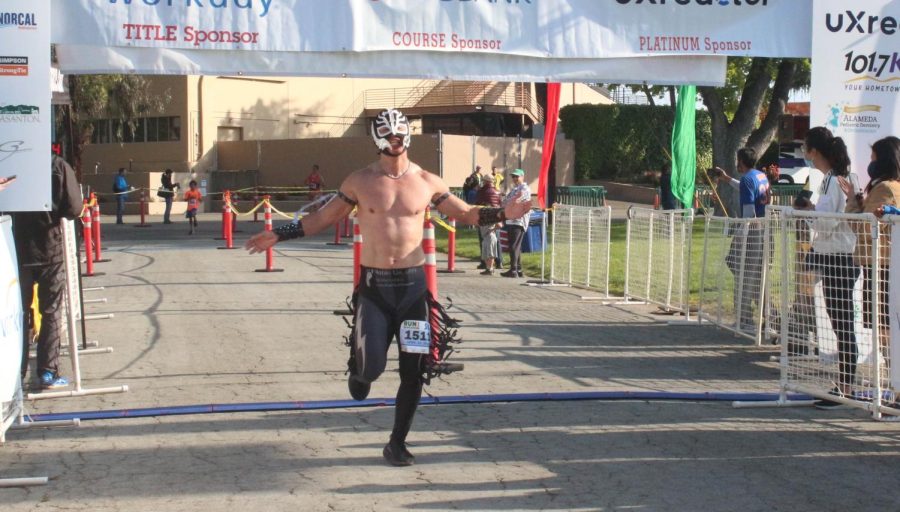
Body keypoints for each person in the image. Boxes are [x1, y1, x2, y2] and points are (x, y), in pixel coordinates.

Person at [244, 108, 530, 466]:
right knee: (373, 368)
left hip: (413, 290)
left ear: (407, 136)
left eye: (400, 134)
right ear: (378, 138)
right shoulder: (359, 181)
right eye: (388, 134)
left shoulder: (428, 181)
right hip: (375, 289)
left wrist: (505, 214)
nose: (395, 140)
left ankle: (397, 441)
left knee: (415, 370)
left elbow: (467, 214)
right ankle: (360, 370)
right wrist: (279, 233)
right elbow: (321, 218)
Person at [797, 127, 860, 409]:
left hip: (839, 258)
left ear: (815, 151)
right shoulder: (832, 179)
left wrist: (809, 213)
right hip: (835, 255)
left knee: (842, 323)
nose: (804, 155)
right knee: (839, 322)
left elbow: (827, 222)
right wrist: (813, 211)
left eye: (805, 149)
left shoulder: (836, 180)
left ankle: (846, 386)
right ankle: (845, 383)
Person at [12, 154, 82, 390]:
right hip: (49, 248)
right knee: (51, 310)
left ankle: (15, 371)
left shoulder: (9, 160)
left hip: (15, 248)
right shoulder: (57, 164)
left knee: (16, 314)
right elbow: (73, 207)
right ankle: (46, 372)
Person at [840, 136, 900, 386]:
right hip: (883, 265)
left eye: (873, 157)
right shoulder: (889, 186)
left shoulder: (885, 188)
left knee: (886, 330)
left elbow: (864, 227)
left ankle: (895, 387)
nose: (870, 163)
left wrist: (853, 203)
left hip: (882, 267)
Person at [710, 148, 770, 332]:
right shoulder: (760, 175)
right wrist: (726, 179)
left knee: (742, 274)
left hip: (752, 232)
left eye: (738, 160)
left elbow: (748, 213)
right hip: (764, 229)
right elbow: (746, 187)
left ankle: (745, 320)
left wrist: (740, 236)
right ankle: (768, 316)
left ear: (741, 161)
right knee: (759, 275)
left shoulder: (747, 179)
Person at [500, 169, 531, 278]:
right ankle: (518, 269)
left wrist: (508, 203)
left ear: (522, 176)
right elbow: (506, 202)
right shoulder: (515, 189)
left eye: (517, 176)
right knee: (515, 245)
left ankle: (513, 270)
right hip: (511, 219)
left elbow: (516, 201)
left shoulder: (525, 189)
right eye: (513, 177)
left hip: (518, 220)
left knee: (514, 245)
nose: (514, 179)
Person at [475, 174, 502, 275]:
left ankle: (487, 266)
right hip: (496, 217)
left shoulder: (481, 191)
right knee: (496, 243)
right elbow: (500, 204)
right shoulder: (498, 191)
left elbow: (477, 204)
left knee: (486, 243)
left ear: (485, 181)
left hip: (485, 218)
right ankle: (499, 263)